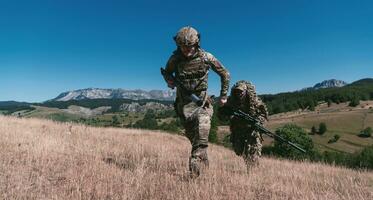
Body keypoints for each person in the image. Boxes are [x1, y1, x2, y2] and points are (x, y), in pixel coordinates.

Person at [162, 26, 230, 177]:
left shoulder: (206, 57)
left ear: (196, 43)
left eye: (189, 46)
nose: (186, 50)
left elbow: (225, 74)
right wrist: (169, 81)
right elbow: (167, 73)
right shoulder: (175, 59)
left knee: (202, 135)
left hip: (202, 105)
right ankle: (204, 164)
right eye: (182, 47)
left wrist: (223, 95)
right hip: (184, 107)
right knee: (195, 139)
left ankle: (194, 173)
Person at [218, 80, 268, 169]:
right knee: (239, 151)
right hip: (238, 130)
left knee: (253, 151)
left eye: (240, 91)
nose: (238, 93)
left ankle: (253, 171)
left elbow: (264, 115)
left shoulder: (255, 102)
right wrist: (224, 110)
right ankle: (249, 166)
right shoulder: (231, 101)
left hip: (252, 131)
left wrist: (257, 121)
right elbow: (222, 113)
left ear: (245, 91)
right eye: (236, 91)